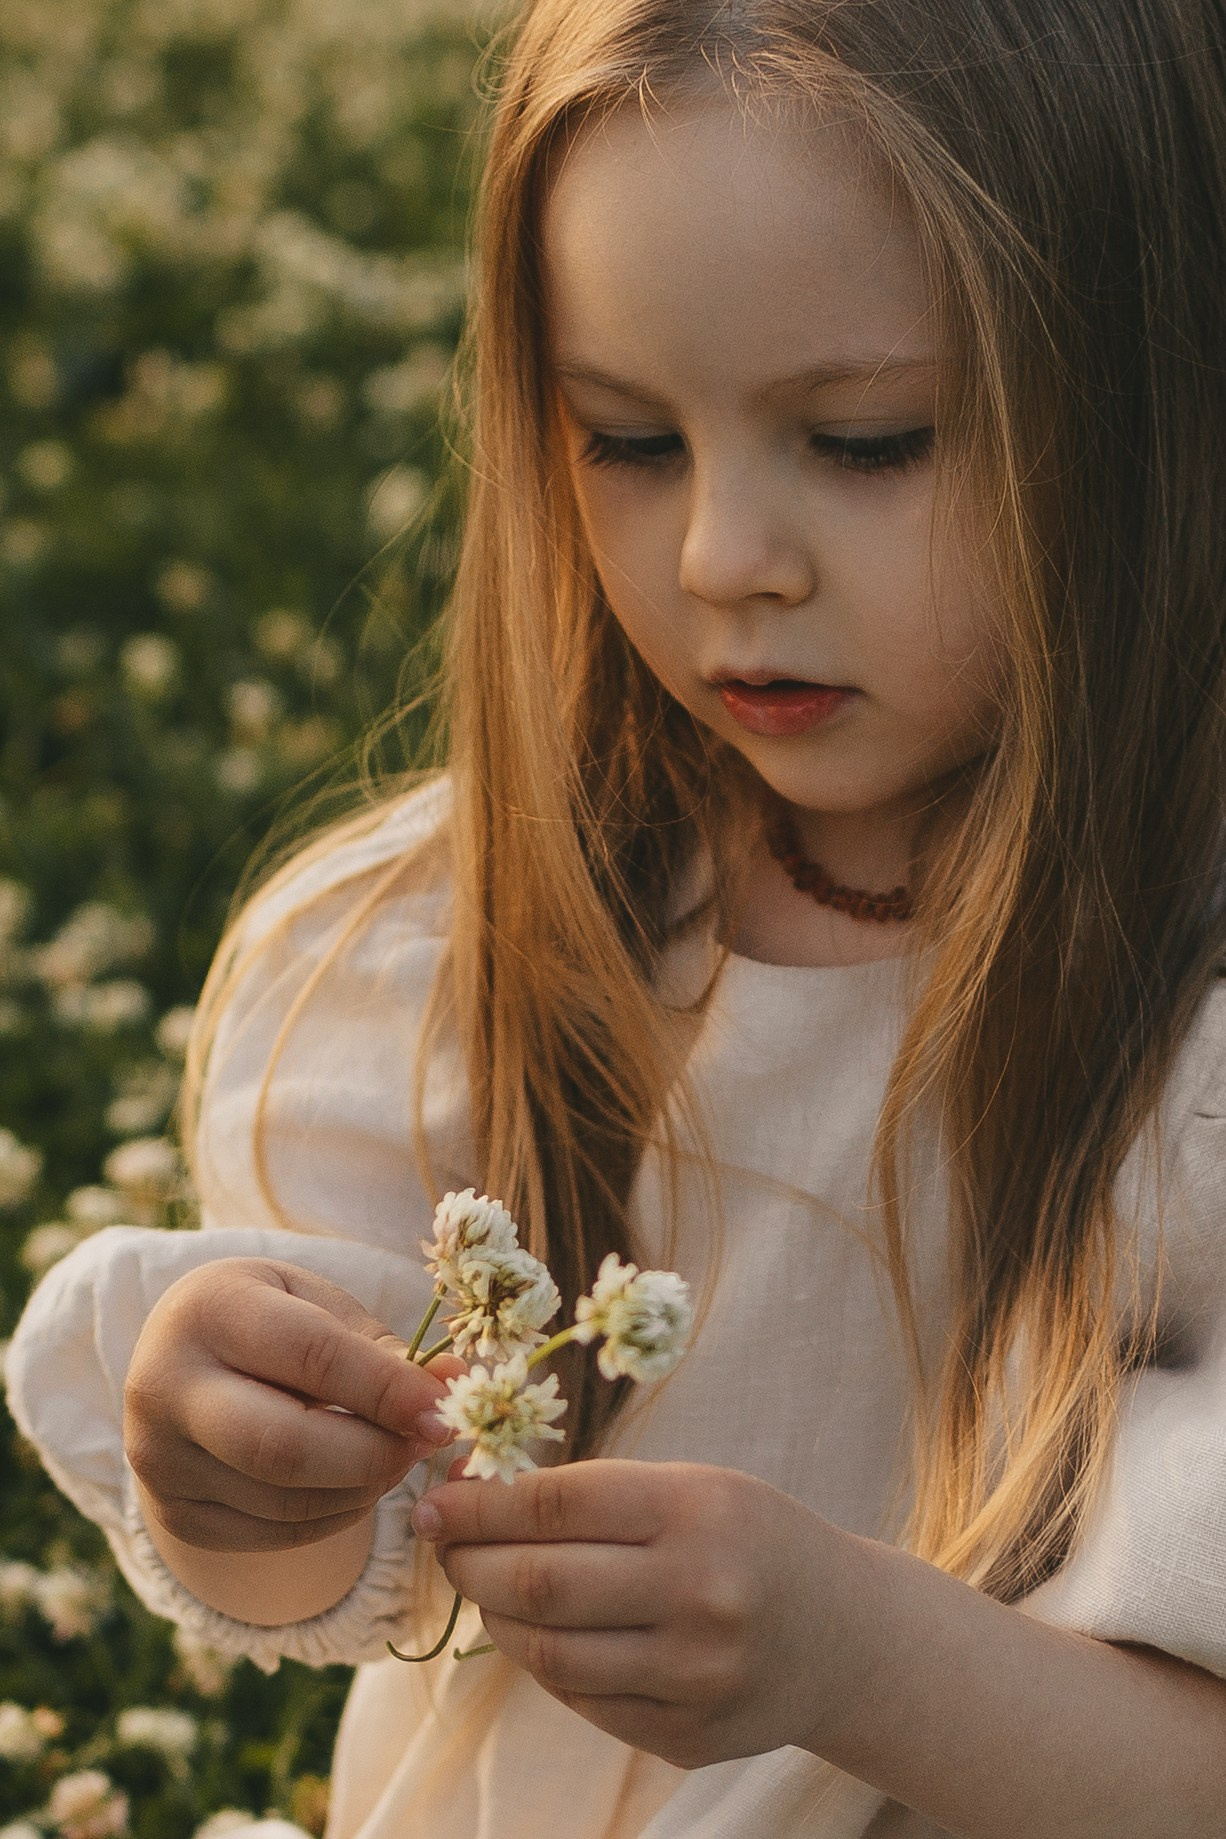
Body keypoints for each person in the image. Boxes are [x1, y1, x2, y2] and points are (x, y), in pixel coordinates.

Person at [9, 0, 1226, 1833]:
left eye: (870, 440)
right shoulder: (473, 938)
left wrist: (855, 1664)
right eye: (627, 440)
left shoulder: (1182, 1054)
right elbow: (367, 1583)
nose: (724, 555)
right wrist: (243, 1475)